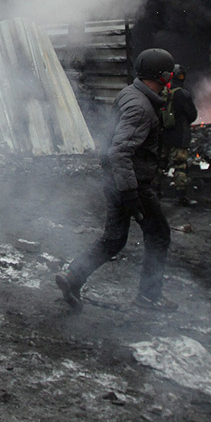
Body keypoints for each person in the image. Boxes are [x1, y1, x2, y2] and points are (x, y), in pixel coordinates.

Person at [56, 48, 177, 312]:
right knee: (158, 236)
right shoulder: (141, 107)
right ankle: (149, 297)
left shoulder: (130, 94)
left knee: (114, 239)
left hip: (117, 180)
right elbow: (120, 150)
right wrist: (131, 193)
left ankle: (73, 276)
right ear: (162, 75)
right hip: (132, 183)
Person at [159, 64, 198, 206]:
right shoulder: (183, 94)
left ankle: (154, 192)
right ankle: (181, 197)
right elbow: (192, 115)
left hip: (164, 134)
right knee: (180, 166)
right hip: (179, 136)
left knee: (160, 164)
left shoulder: (164, 92)